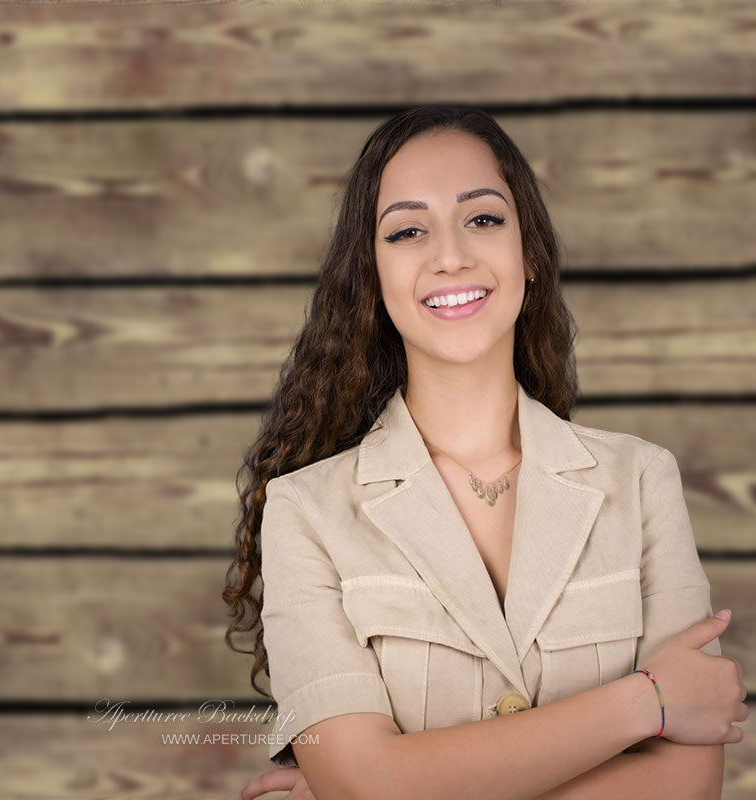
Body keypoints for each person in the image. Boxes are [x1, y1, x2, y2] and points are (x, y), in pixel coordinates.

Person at [224, 105, 746, 800]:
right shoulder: (304, 512)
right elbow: (366, 785)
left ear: (527, 252)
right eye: (408, 231)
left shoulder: (642, 481)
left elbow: (687, 786)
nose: (450, 255)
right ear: (372, 276)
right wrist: (645, 702)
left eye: (483, 218)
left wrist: (395, 785)